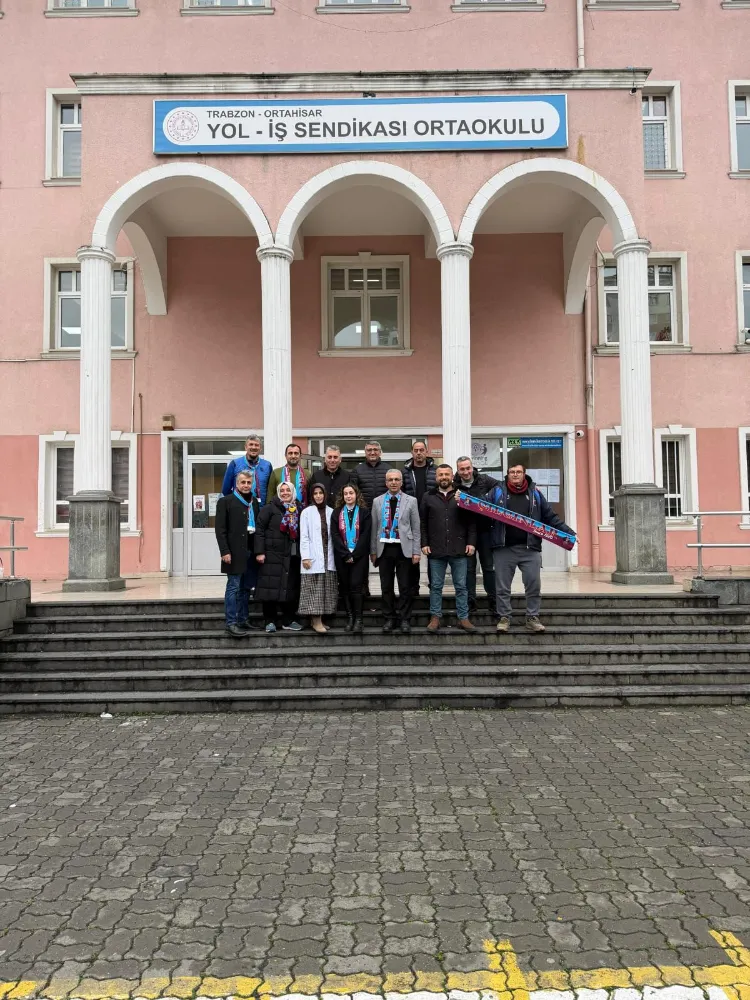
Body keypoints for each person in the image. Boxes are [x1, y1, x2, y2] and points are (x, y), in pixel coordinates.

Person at [487, 456, 574, 634]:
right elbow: (481, 507)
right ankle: (504, 618)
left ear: (524, 474)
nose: (515, 475)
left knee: (533, 585)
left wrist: (569, 533)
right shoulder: (497, 491)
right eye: (512, 472)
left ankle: (532, 618)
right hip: (504, 548)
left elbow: (550, 517)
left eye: (518, 472)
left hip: (530, 549)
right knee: (502, 587)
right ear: (507, 474)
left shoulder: (535, 493)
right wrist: (463, 500)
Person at [420, 463, 477, 633]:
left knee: (461, 586)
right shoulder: (428, 496)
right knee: (436, 586)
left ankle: (463, 618)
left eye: (447, 474)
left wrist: (471, 542)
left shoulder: (463, 495)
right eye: (440, 475)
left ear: (452, 476)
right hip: (436, 549)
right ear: (436, 477)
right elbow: (423, 522)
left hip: (459, 548)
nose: (444, 477)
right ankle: (435, 617)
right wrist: (424, 543)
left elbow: (471, 522)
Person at [370, 469, 421, 633]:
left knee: (405, 586)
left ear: (401, 482)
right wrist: (373, 551)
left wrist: (416, 551)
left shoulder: (411, 501)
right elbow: (374, 528)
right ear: (386, 483)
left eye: (396, 479)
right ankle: (389, 618)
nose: (393, 482)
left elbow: (416, 528)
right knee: (386, 586)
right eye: (390, 480)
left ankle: (405, 619)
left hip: (404, 549)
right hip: (384, 549)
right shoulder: (377, 501)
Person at [214, 470, 260, 637]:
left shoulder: (254, 502)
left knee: (245, 588)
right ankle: (231, 623)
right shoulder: (225, 501)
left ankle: (243, 619)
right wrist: (224, 551)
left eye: (249, 483)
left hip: (250, 551)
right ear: (237, 484)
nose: (246, 485)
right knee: (233, 588)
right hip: (233, 553)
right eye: (243, 482)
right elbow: (220, 530)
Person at [454, 456, 501, 616]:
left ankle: (493, 601)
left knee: (489, 568)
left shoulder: (485, 480)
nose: (466, 472)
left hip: (485, 530)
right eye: (462, 469)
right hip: (465, 533)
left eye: (468, 468)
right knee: (468, 569)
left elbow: (502, 488)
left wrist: (482, 500)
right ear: (458, 470)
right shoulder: (454, 485)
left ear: (472, 467)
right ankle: (470, 602)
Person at [254, 481, 303, 633]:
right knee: (270, 588)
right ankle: (270, 621)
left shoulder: (299, 509)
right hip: (271, 555)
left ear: (293, 492)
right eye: (282, 490)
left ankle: (289, 620)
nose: (285, 493)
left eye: (288, 490)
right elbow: (259, 530)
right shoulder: (269, 508)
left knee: (290, 588)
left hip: (292, 556)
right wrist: (259, 552)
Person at [331, 483, 371, 633]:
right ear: (342, 496)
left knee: (356, 586)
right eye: (346, 493)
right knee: (345, 586)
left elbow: (366, 534)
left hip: (359, 556)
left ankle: (359, 619)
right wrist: (346, 554)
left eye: (351, 493)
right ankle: (350, 618)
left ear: (356, 494)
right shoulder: (336, 513)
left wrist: (354, 555)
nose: (348, 496)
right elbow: (335, 535)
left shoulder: (364, 512)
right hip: (342, 556)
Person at [299, 483, 338, 634]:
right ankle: (316, 621)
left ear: (325, 494)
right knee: (314, 589)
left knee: (325, 588)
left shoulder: (331, 511)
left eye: (320, 493)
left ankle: (319, 619)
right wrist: (306, 557)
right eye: (315, 493)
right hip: (313, 555)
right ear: (312, 496)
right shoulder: (306, 512)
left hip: (328, 554)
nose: (318, 496)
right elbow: (304, 536)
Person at [402, 439, 437, 598]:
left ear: (426, 451)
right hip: (411, 519)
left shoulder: (435, 471)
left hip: (432, 517)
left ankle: (434, 589)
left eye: (421, 450)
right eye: (416, 450)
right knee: (412, 555)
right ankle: (413, 590)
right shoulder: (405, 472)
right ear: (412, 452)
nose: (419, 453)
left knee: (433, 555)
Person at [222, 434, 272, 505]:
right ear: (245, 447)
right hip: (240, 508)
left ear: (260, 448)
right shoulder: (235, 464)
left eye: (256, 445)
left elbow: (270, 490)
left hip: (262, 508)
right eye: (251, 444)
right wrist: (234, 503)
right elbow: (225, 490)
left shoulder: (267, 465)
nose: (253, 447)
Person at [267, 443, 309, 508]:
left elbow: (310, 496)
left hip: (302, 511)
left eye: (296, 453)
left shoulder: (307, 474)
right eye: (290, 453)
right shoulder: (276, 472)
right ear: (286, 456)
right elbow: (270, 496)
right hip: (280, 512)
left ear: (300, 456)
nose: (293, 456)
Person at [353, 440, 388, 509]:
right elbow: (353, 491)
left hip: (384, 509)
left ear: (380, 452)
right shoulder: (357, 470)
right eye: (369, 450)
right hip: (363, 510)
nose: (372, 453)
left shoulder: (388, 469)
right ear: (365, 453)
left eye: (375, 450)